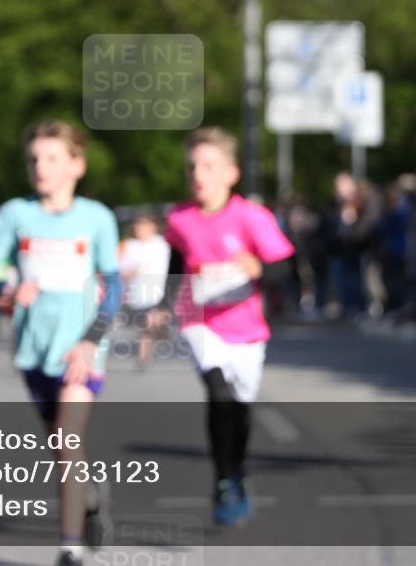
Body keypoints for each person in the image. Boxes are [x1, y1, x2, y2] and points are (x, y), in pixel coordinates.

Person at [0, 120, 122, 566]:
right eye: (34, 158)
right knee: (60, 446)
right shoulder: (16, 214)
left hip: (81, 350)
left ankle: (70, 547)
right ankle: (91, 495)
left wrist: (92, 341)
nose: (40, 167)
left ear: (77, 165)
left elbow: (112, 287)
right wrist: (5, 286)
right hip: (34, 349)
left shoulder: (96, 218)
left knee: (66, 437)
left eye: (52, 158)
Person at [159, 127, 294, 527]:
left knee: (239, 408)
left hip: (246, 327)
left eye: (208, 165)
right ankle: (221, 480)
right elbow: (175, 267)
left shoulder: (252, 217)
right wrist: (161, 307)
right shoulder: (180, 219)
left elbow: (285, 267)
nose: (198, 174)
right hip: (199, 321)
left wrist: (262, 269)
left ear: (231, 173)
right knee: (218, 392)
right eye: (192, 166)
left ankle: (237, 470)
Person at [118, 213, 171, 368]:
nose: (142, 229)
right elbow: (121, 271)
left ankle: (145, 353)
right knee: (145, 328)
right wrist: (133, 271)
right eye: (139, 226)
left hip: (159, 293)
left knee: (150, 322)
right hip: (138, 295)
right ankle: (145, 356)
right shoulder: (130, 246)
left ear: (154, 227)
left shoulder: (162, 244)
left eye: (146, 226)